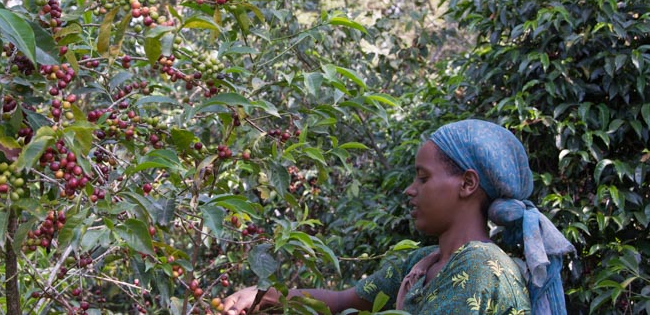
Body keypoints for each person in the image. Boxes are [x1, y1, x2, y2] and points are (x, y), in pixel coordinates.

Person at [221, 119, 575, 314]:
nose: (410, 189)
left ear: (467, 183)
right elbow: (344, 300)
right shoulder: (422, 263)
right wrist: (262, 296)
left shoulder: (480, 267)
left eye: (423, 178)